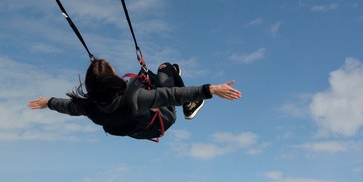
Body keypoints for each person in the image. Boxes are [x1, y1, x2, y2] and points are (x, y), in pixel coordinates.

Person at [28, 59, 241, 140]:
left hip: (138, 130)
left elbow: (68, 106)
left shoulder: (89, 106)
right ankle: (189, 106)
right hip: (163, 119)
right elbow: (171, 95)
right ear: (112, 77)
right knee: (166, 68)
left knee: (155, 78)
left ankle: (184, 95)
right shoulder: (135, 98)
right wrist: (209, 89)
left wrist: (48, 102)